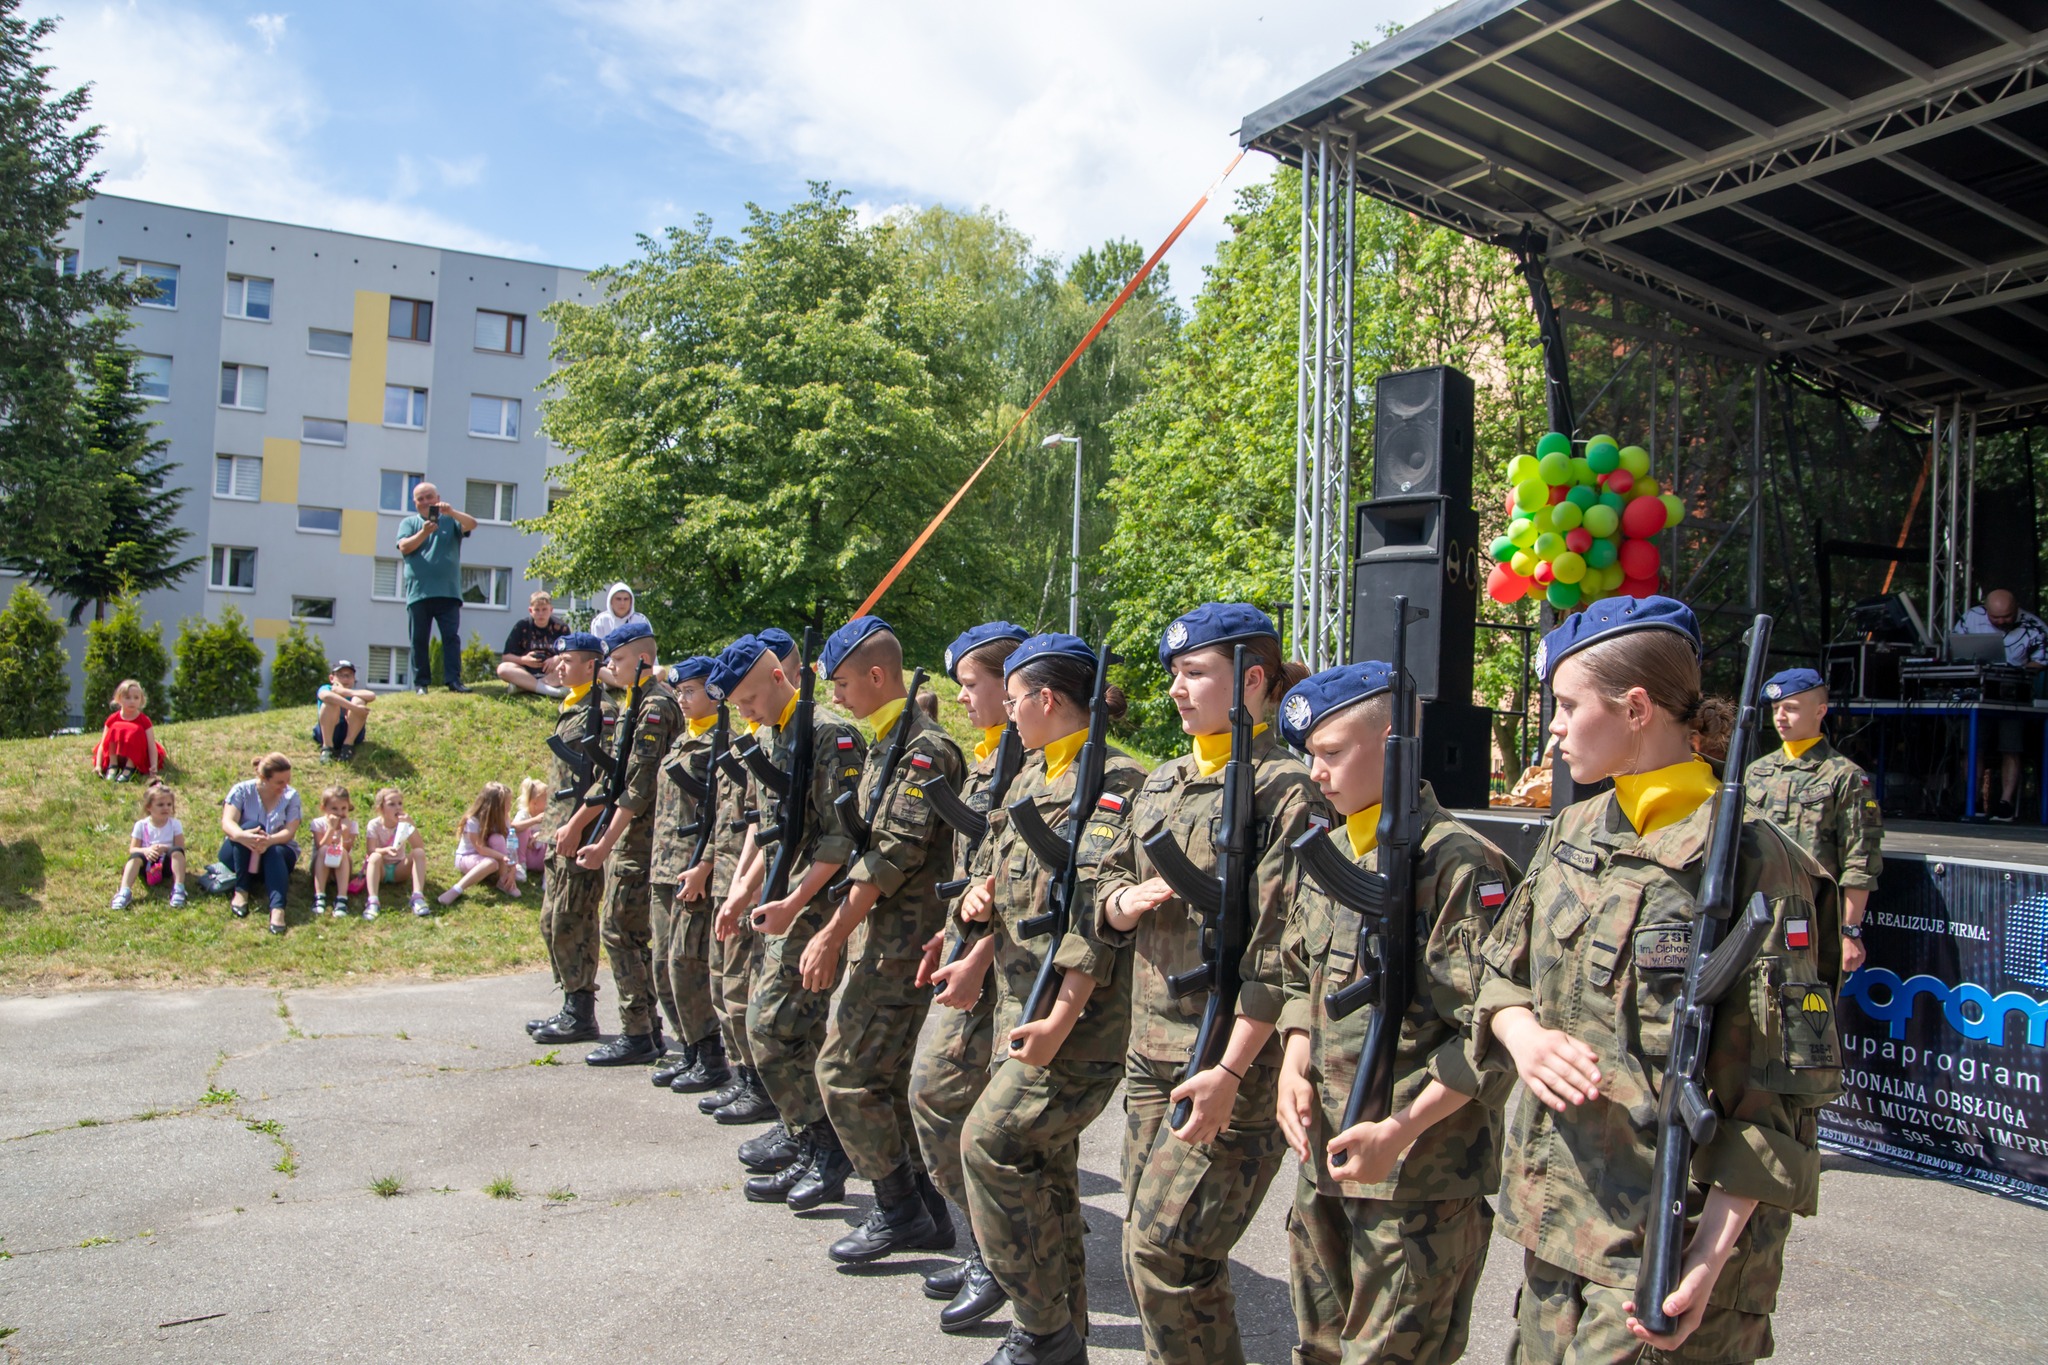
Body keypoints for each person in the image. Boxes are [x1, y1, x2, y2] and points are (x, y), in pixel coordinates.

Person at [1472, 596, 1842, 1363]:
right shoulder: (1575, 830)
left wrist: (1708, 1258)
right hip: (1563, 1228)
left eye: (1569, 706)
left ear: (1636, 707)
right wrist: (1524, 1035)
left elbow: (1782, 1090)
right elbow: (1497, 971)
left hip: (1672, 1251)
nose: (1554, 725)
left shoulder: (1752, 857)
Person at [1091, 604, 1323, 1365]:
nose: (1177, 690)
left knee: (1165, 1252)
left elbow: (1286, 950)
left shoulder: (1288, 791)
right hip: (1149, 1052)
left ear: (1251, 679)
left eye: (1195, 673)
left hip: (1229, 1062)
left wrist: (1228, 1069)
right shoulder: (1164, 779)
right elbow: (1107, 878)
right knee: (1159, 1254)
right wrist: (1120, 905)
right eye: (1173, 675)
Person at [1274, 660, 1521, 1365]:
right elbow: (1300, 971)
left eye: (1331, 753)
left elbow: (1489, 1035)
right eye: (1310, 755)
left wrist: (1402, 1127)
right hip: (1327, 1151)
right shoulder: (1330, 842)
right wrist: (1293, 1061)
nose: (1315, 773)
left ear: (1394, 744)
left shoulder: (1461, 866)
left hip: (1419, 1174)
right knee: (1318, 1347)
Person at [955, 633, 1147, 1364]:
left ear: (1046, 699)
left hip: (1081, 1015)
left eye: (1012, 699)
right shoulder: (1031, 772)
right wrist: (980, 899)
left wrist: (1062, 1015)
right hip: (1019, 997)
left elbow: (1095, 910)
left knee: (992, 1143)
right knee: (1046, 1169)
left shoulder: (1121, 780)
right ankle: (1066, 1335)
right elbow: (1007, 871)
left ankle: (1042, 1329)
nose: (1004, 713)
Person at [809, 616, 965, 1260]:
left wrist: (830, 933)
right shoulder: (883, 744)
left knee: (843, 1073)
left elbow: (890, 857)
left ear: (878, 675)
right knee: (881, 1079)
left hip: (900, 943)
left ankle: (900, 1209)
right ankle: (921, 1208)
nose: (837, 697)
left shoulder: (924, 750)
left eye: (843, 683)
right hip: (880, 939)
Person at [709, 632, 865, 1207]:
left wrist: (796, 904)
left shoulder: (830, 735)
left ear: (780, 677)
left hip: (813, 905)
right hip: (780, 901)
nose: (743, 712)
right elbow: (768, 827)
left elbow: (840, 838)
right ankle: (809, 1137)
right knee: (769, 1027)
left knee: (777, 1030)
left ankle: (826, 1146)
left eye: (748, 699)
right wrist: (742, 890)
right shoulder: (773, 737)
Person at [909, 620, 1028, 1314]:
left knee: (968, 1112)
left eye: (971, 684)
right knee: (936, 1100)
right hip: (971, 952)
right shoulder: (988, 760)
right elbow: (977, 871)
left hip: (1011, 970)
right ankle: (987, 1248)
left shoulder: (1028, 762)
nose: (961, 698)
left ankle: (1008, 1263)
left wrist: (978, 951)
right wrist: (948, 932)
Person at [573, 621, 680, 1066]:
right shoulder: (640, 702)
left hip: (641, 837)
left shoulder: (655, 706)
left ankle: (639, 1031)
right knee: (627, 932)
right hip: (634, 835)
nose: (608, 668)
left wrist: (603, 844)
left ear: (639, 660)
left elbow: (637, 788)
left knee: (620, 931)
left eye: (615, 660)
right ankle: (645, 1028)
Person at [1745, 668, 1882, 974]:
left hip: (1812, 922)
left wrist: (1851, 932)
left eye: (1791, 709)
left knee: (1807, 1013)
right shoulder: (1756, 772)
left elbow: (1860, 860)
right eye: (1776, 709)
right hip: (1753, 917)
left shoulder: (1844, 775)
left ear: (1820, 711)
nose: (1780, 717)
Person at [647, 656, 732, 1095]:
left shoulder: (725, 742)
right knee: (663, 964)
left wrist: (706, 865)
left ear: (715, 692)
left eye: (691, 691)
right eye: (679, 692)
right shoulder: (683, 741)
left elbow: (729, 816)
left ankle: (710, 1053)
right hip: (664, 867)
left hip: (694, 871)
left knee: (687, 964)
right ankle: (689, 1048)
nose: (682, 699)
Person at [527, 633, 617, 1044]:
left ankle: (581, 1012)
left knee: (571, 921)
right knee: (552, 921)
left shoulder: (602, 711)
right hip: (560, 830)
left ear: (591, 666)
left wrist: (579, 824)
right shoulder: (573, 708)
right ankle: (570, 1002)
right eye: (558, 661)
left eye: (568, 661)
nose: (559, 667)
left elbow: (609, 780)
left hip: (580, 833)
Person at [1952, 587, 2048, 821]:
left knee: (2011, 748)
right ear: (1986, 611)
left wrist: (2018, 671)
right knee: (1973, 747)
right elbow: (1955, 649)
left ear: (2017, 609)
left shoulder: (2036, 627)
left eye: (2007, 617)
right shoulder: (1971, 618)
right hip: (1977, 693)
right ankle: (1972, 800)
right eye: (1996, 618)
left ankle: (2005, 803)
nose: (2002, 622)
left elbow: (2042, 661)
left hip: (2013, 696)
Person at [394, 480, 477, 695]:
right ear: (415, 503)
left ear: (437, 499)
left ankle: (453, 681)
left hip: (448, 592)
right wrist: (424, 532)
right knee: (419, 639)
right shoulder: (409, 523)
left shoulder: (450, 521)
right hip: (419, 592)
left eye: (429, 497)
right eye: (420, 499)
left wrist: (452, 512)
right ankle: (421, 684)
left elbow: (472, 524)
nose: (425, 502)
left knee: (450, 637)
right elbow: (404, 547)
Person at [220, 753, 303, 936]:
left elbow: (289, 832)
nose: (285, 786)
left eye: (287, 780)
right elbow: (227, 822)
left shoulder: (291, 796)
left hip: (277, 853)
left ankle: (278, 910)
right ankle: (241, 891)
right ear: (263, 778)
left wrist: (269, 840)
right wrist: (243, 836)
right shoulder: (241, 790)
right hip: (241, 852)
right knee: (251, 828)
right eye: (279, 782)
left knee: (274, 849)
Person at [113, 780, 186, 909]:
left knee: (177, 852)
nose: (166, 808)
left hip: (167, 865)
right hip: (147, 864)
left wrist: (164, 848)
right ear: (149, 807)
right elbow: (132, 849)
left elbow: (181, 848)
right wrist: (146, 851)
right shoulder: (141, 825)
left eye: (169, 804)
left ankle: (179, 888)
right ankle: (124, 891)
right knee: (135, 857)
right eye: (160, 805)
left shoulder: (175, 824)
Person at [442, 780, 518, 905]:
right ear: (495, 807)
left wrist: (513, 869)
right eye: (507, 804)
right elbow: (480, 848)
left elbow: (511, 843)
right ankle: (456, 890)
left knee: (498, 839)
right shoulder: (473, 821)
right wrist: (503, 857)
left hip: (491, 858)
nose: (510, 806)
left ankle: (503, 881)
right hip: (468, 857)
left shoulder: (504, 818)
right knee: (491, 863)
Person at [362, 787, 429, 919]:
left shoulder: (403, 823)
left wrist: (411, 825)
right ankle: (373, 901)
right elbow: (370, 850)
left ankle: (417, 897)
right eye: (391, 804)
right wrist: (385, 851)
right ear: (381, 809)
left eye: (400, 803)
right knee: (375, 857)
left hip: (399, 868)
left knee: (419, 853)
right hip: (380, 870)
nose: (397, 808)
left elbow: (419, 846)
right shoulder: (374, 825)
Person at [498, 591, 571, 698]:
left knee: (572, 668)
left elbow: (572, 655)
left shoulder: (561, 628)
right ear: (530, 611)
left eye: (544, 609)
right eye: (537, 610)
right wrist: (524, 660)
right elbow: (506, 657)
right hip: (526, 672)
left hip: (551, 673)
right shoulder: (521, 626)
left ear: (551, 610)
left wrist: (557, 658)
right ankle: (549, 691)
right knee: (502, 669)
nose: (541, 614)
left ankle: (524, 686)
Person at [93, 679, 165, 781]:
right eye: (127, 698)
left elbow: (151, 745)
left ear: (141, 700)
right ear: (119, 699)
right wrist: (98, 765)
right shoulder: (112, 719)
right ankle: (113, 765)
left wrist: (154, 766)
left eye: (136, 698)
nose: (132, 701)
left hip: (136, 757)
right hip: (117, 755)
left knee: (135, 730)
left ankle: (129, 768)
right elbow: (104, 743)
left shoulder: (144, 721)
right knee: (115, 727)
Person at [309, 784, 359, 919]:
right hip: (321, 865)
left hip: (342, 866)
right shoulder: (318, 823)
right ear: (324, 808)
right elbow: (320, 847)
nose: (340, 813)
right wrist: (331, 829)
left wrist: (345, 832)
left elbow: (347, 849)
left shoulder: (351, 825)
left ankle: (342, 898)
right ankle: (319, 896)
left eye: (344, 808)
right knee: (326, 849)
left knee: (341, 851)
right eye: (334, 809)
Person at [314, 661, 376, 761]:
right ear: (332, 678)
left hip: (351, 732)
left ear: (354, 678)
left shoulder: (355, 693)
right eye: (340, 675)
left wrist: (343, 692)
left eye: (349, 675)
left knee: (358, 700)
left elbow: (372, 695)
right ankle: (327, 748)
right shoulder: (327, 688)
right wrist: (354, 708)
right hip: (329, 731)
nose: (345, 679)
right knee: (330, 703)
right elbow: (325, 695)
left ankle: (348, 746)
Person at [511, 777, 550, 882]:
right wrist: (535, 821)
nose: (549, 801)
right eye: (546, 799)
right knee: (521, 831)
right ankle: (520, 866)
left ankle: (547, 874)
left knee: (552, 838)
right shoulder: (524, 814)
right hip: (526, 854)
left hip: (541, 857)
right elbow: (513, 827)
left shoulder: (549, 815)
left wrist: (540, 834)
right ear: (534, 803)